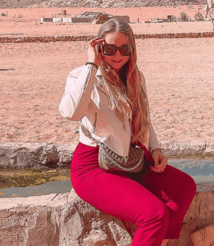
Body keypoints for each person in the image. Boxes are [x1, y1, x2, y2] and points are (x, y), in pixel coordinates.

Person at [59, 18, 196, 246]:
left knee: (184, 187)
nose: (117, 55)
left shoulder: (135, 77)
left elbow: (143, 118)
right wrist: (91, 65)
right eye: (110, 48)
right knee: (154, 215)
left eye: (125, 48)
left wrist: (155, 148)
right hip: (94, 166)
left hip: (132, 159)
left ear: (132, 49)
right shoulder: (83, 75)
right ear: (99, 47)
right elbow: (71, 112)